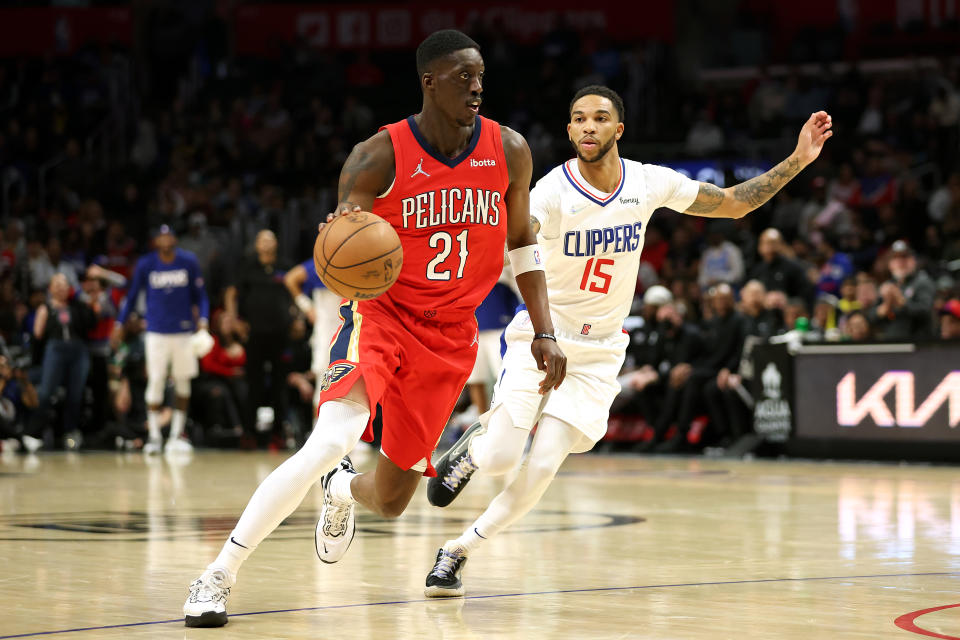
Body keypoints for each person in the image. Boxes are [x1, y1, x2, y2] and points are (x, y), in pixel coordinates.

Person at [183, 29, 566, 628]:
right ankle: (218, 575)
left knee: (389, 500)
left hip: (452, 335)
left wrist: (544, 329)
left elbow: (522, 242)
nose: (476, 85)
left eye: (481, 75)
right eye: (463, 75)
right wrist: (342, 227)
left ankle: (340, 491)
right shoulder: (378, 154)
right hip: (380, 316)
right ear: (429, 81)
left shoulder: (510, 150)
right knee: (332, 439)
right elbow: (343, 234)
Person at [421, 85, 832, 596]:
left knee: (544, 465)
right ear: (569, 130)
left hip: (599, 353)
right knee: (504, 457)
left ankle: (457, 551)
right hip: (542, 335)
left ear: (619, 129)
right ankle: (477, 444)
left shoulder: (648, 182)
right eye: (578, 119)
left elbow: (732, 204)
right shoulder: (551, 190)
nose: (588, 126)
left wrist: (797, 158)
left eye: (599, 118)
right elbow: (509, 237)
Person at [115, 225, 211, 455]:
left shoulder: (188, 261)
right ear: (156, 240)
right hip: (156, 331)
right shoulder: (146, 264)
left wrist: (204, 321)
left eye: (170, 235)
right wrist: (120, 323)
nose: (166, 239)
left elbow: (201, 295)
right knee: (156, 381)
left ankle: (176, 436)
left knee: (182, 382)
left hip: (184, 331)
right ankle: (155, 436)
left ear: (175, 238)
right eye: (162, 235)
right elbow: (132, 295)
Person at [223, 230, 292, 444]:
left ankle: (278, 433)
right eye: (261, 239)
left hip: (281, 334)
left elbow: (297, 291)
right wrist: (234, 320)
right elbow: (231, 293)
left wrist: (297, 317)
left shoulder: (285, 266)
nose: (266, 243)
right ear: (256, 244)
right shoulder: (247, 267)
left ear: (276, 243)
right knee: (254, 384)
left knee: (281, 385)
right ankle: (249, 433)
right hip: (254, 334)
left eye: (270, 239)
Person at [283, 256, 341, 413]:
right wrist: (307, 307)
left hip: (349, 330)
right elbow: (290, 278)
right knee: (325, 383)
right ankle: (319, 431)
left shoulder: (357, 259)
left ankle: (350, 434)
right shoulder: (326, 261)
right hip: (327, 332)